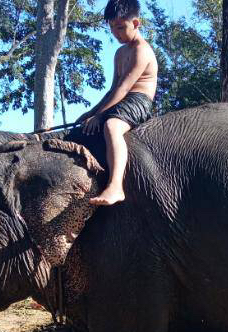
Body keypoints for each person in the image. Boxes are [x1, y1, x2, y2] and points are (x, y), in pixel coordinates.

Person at [76, 0, 158, 206]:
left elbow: (124, 88)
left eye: (120, 27)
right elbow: (113, 90)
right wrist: (90, 112)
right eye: (112, 28)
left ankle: (116, 186)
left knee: (112, 126)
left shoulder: (142, 51)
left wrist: (101, 115)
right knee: (86, 126)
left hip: (138, 100)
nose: (115, 33)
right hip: (120, 99)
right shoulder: (120, 53)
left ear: (136, 23)